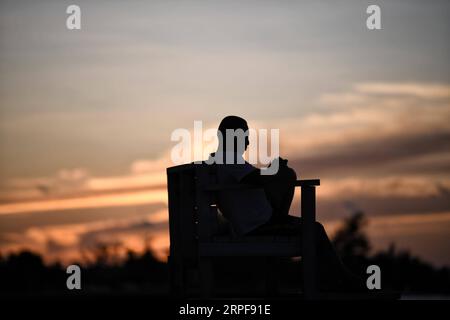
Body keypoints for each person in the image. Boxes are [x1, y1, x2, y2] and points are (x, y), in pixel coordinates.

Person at [207, 115, 365, 292]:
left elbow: (256, 180)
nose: (248, 141)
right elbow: (258, 178)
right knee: (314, 230)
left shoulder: (226, 160)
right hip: (256, 228)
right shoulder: (229, 159)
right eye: (245, 135)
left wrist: (276, 171)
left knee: (294, 190)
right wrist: (276, 170)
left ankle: (338, 280)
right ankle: (341, 281)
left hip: (260, 222)